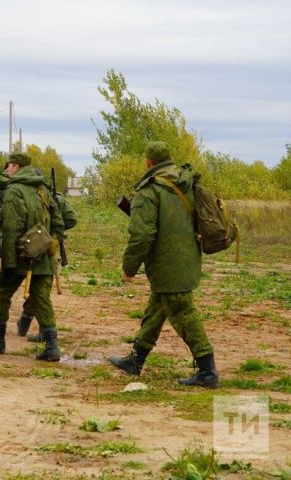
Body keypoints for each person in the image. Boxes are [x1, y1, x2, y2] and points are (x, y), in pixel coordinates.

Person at [108, 141, 219, 388]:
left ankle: (207, 371)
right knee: (157, 309)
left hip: (167, 264)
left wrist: (129, 267)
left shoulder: (149, 191)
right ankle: (135, 361)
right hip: (186, 258)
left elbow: (142, 235)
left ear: (148, 162)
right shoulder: (185, 182)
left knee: (183, 313)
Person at [0, 153, 65, 361]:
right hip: (44, 255)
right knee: (41, 299)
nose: (6, 170)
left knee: (1, 294)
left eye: (8, 166)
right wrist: (47, 243)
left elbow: (10, 229)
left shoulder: (14, 191)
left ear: (16, 166)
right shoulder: (43, 189)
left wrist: (8, 262)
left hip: (20, 255)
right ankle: (52, 346)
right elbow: (59, 222)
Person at [21, 188, 78, 341]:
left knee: (40, 292)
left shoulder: (49, 198)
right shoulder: (55, 198)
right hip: (44, 248)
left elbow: (71, 219)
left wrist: (52, 231)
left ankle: (33, 324)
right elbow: (71, 219)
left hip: (40, 249)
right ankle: (28, 321)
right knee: (40, 290)